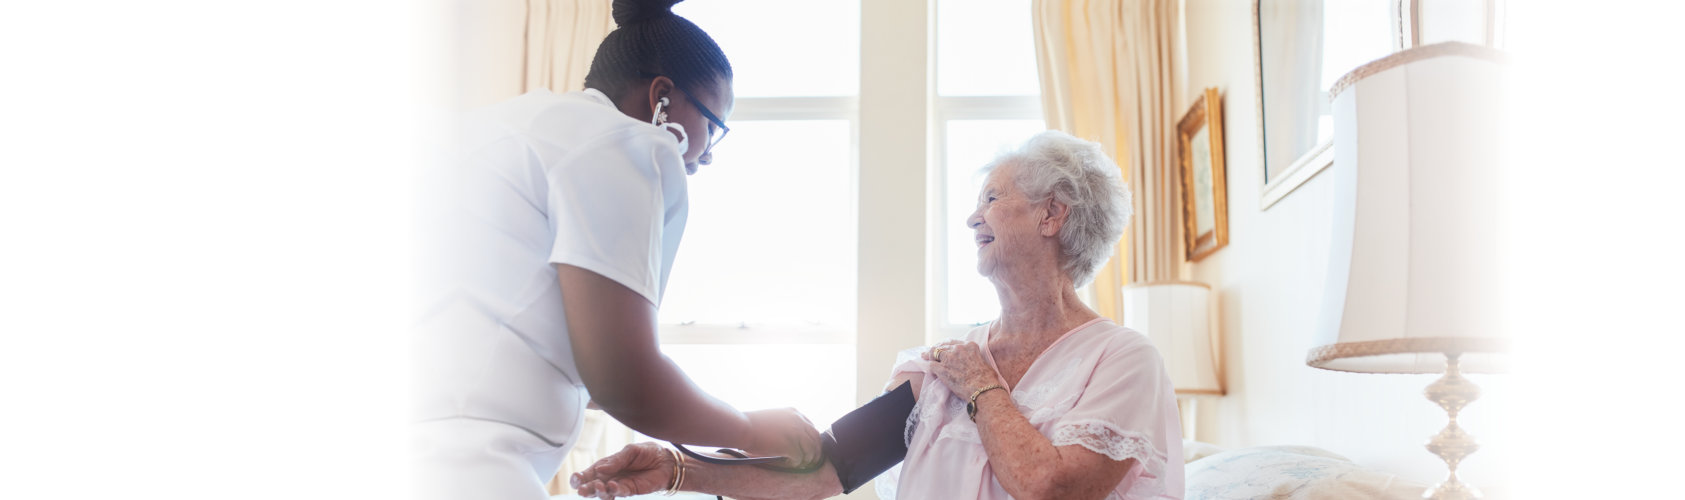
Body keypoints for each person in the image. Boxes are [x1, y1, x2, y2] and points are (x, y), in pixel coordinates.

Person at [570, 131, 1185, 500]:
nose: (973, 218)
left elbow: (1052, 489)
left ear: (1052, 216)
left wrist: (981, 385)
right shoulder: (939, 367)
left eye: (992, 199)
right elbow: (825, 468)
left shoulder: (1124, 361)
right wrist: (679, 468)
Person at [411, 1, 821, 498]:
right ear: (662, 97)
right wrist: (751, 429)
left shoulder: (490, 129)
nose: (709, 154)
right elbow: (624, 379)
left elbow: (522, 336)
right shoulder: (627, 143)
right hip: (472, 471)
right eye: (714, 125)